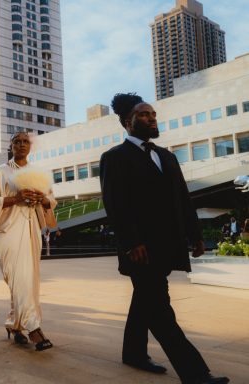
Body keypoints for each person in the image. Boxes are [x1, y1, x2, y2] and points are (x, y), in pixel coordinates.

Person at [100, 93, 229, 384]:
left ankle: (133, 353)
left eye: (153, 114)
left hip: (167, 246)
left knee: (144, 298)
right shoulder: (115, 158)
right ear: (127, 122)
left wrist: (195, 236)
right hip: (140, 249)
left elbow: (182, 199)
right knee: (159, 309)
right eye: (144, 115)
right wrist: (132, 242)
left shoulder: (166, 156)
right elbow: (116, 205)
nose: (151, 118)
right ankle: (196, 373)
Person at [0, 132, 57, 351]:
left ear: (30, 146)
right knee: (17, 277)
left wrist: (43, 200)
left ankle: (15, 324)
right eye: (17, 141)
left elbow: (51, 201)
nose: (21, 144)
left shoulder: (37, 173)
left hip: (31, 229)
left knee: (28, 279)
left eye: (25, 141)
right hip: (6, 232)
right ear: (11, 146)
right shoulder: (0, 172)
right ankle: (33, 328)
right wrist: (16, 198)